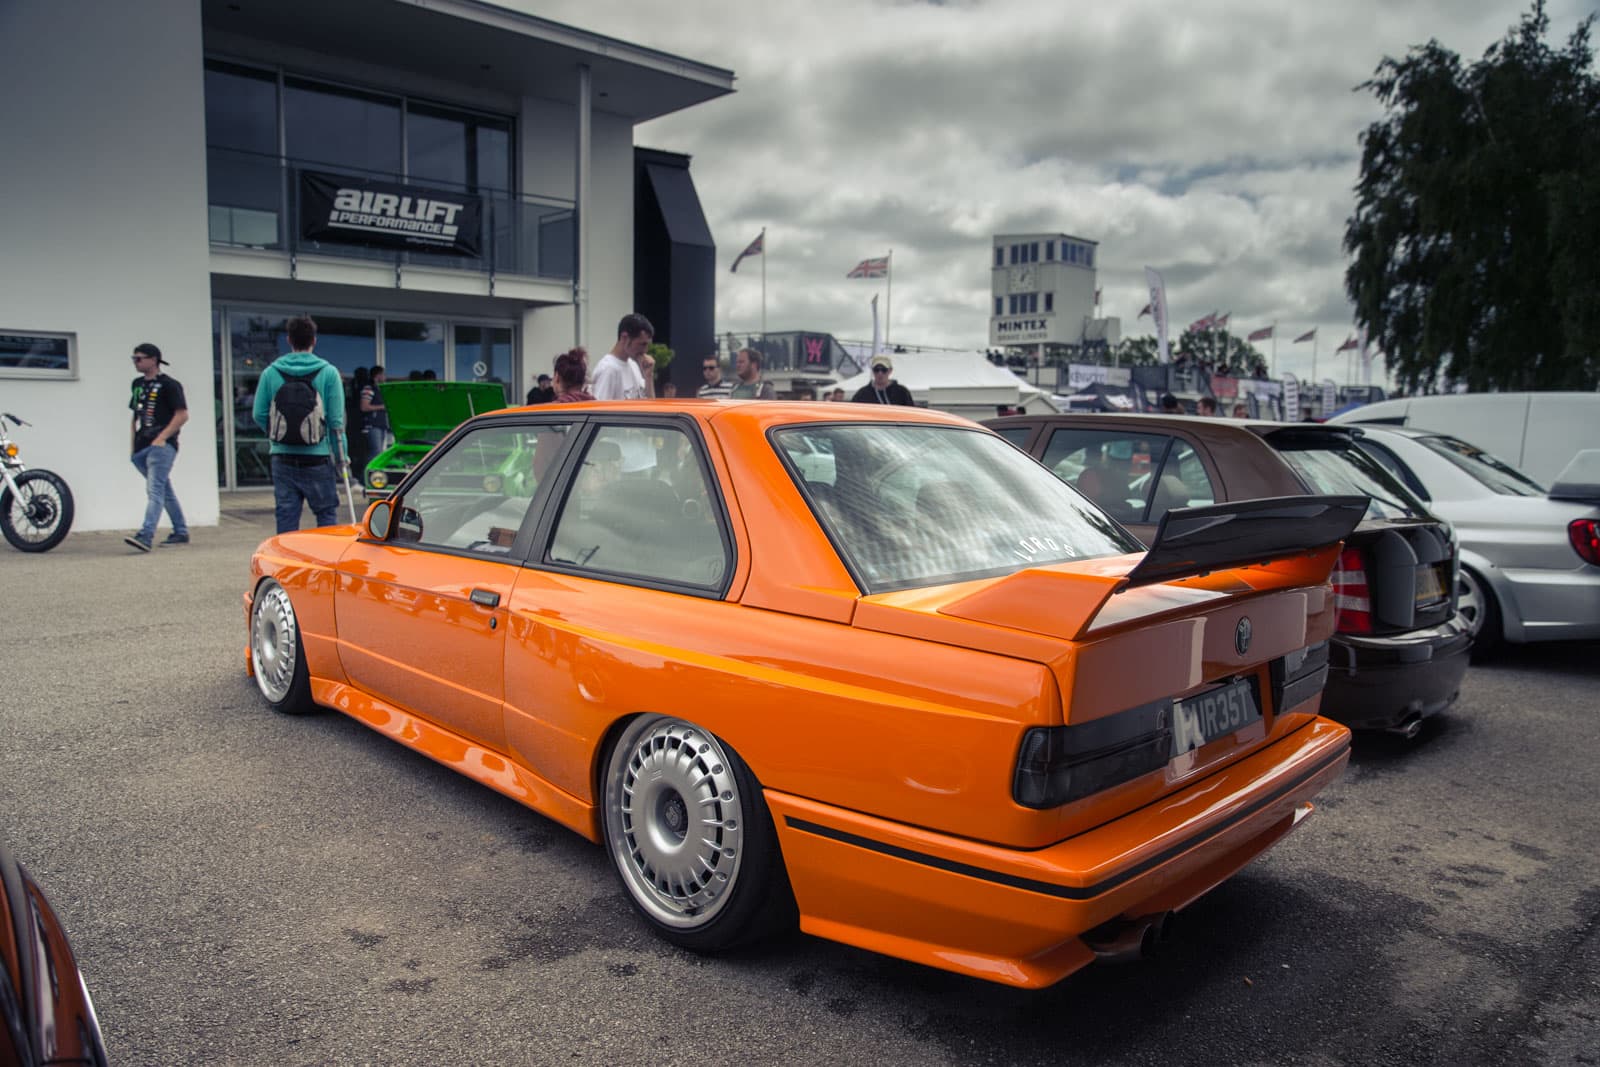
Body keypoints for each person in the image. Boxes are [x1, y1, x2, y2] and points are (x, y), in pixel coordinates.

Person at [253, 315, 347, 534]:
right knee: (326, 514)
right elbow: (335, 422)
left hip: (282, 457)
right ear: (314, 340)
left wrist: (279, 434)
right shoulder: (328, 373)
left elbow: (259, 414)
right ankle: (327, 554)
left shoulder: (271, 372)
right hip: (317, 457)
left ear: (289, 340)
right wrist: (342, 457)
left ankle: (287, 556)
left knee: (286, 516)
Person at [123, 342, 190, 551]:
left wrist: (162, 438)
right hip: (141, 447)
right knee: (163, 489)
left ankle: (146, 534)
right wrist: (132, 446)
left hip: (161, 447)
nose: (136, 362)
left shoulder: (170, 385)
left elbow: (182, 415)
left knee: (155, 490)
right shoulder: (137, 384)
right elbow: (135, 416)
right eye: (134, 359)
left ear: (153, 360)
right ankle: (180, 531)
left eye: (139, 358)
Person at [592, 313, 655, 401]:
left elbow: (650, 405)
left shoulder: (633, 364)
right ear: (624, 338)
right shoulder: (608, 369)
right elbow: (599, 408)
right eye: (642, 344)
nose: (645, 350)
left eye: (647, 345)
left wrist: (649, 376)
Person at [361, 366, 388, 462]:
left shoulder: (380, 390)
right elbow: (364, 407)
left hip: (381, 426)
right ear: (377, 375)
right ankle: (369, 471)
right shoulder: (369, 389)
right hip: (373, 426)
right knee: (376, 452)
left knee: (379, 452)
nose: (385, 377)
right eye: (383, 374)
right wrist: (382, 407)